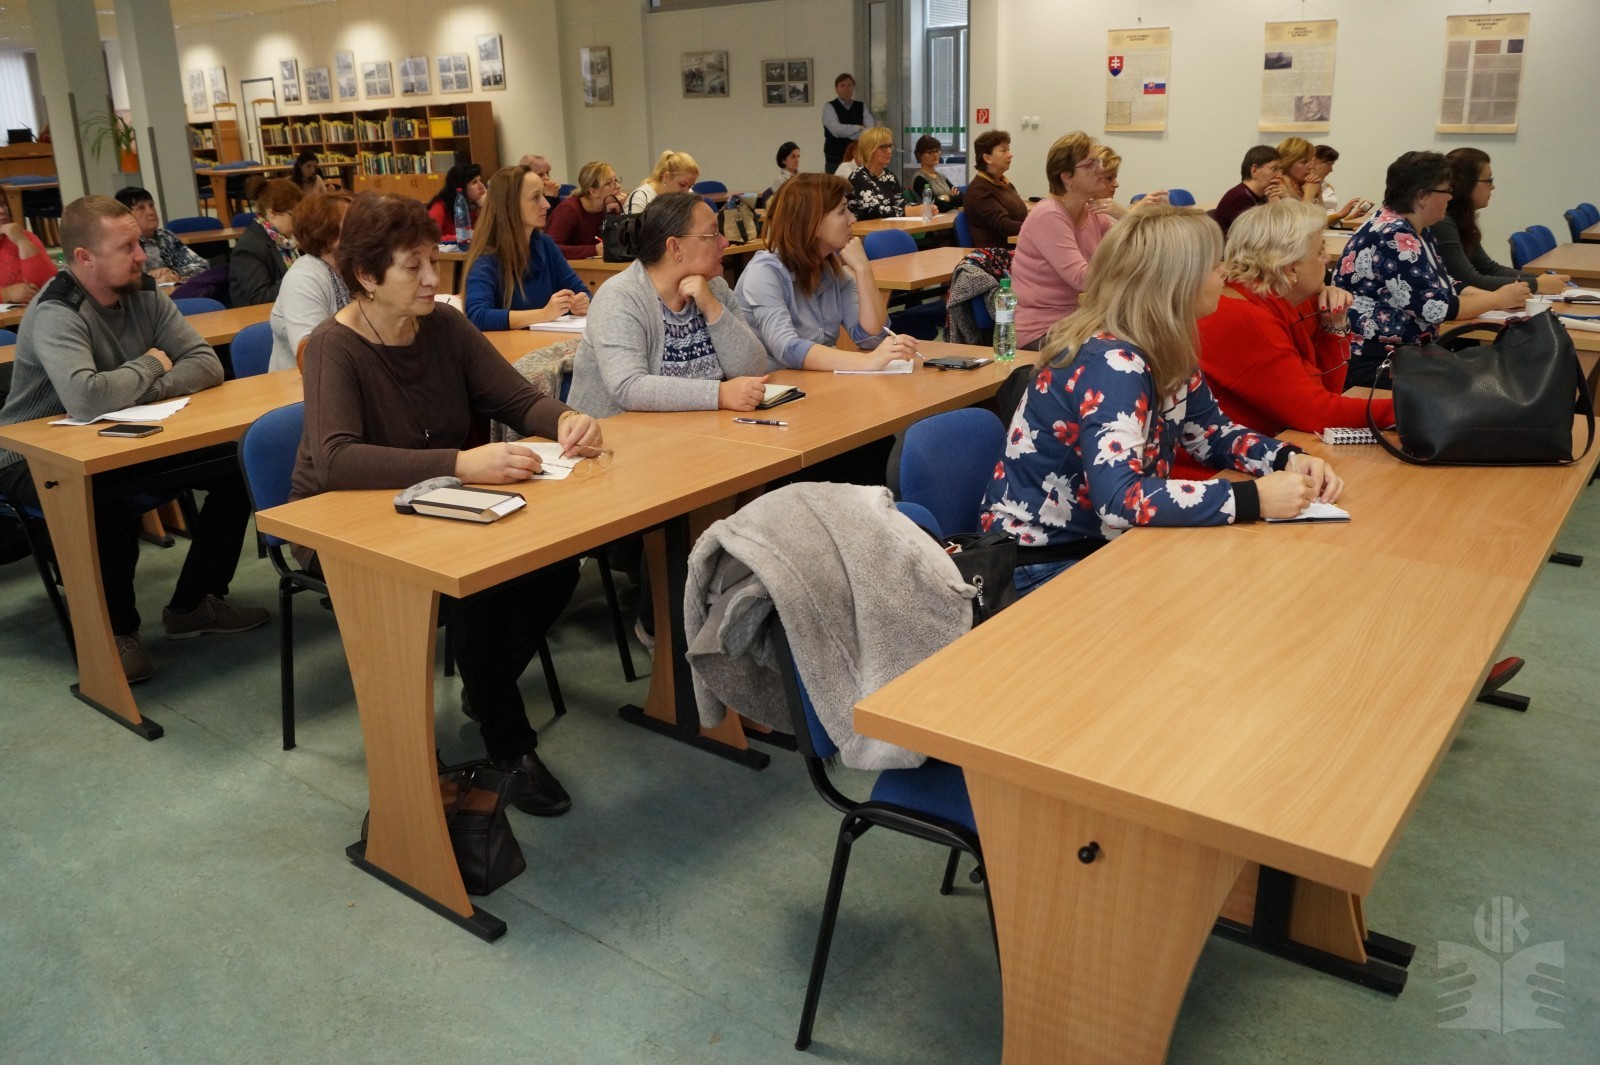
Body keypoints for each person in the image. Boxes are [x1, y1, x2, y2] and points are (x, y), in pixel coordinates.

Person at [291, 192, 603, 816]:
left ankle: (486, 688)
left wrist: (565, 418)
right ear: (366, 276)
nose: (434, 279)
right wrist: (459, 465)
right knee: (477, 593)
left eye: (434, 261)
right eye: (414, 267)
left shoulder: (444, 324)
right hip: (341, 523)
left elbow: (515, 398)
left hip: (438, 507)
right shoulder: (333, 346)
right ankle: (508, 744)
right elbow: (336, 460)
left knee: (554, 565)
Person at [980, 206, 1342, 597]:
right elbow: (1119, 499)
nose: (1225, 272)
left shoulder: (1163, 345)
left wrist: (1286, 458)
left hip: (1104, 545)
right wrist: (1254, 498)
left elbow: (1212, 435)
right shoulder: (1113, 362)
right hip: (1047, 562)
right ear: (1176, 282)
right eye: (1214, 264)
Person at [0, 196, 268, 681]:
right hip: (29, 455)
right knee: (100, 497)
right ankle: (116, 634)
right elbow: (85, 397)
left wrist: (139, 387)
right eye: (126, 247)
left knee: (237, 463)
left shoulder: (142, 292)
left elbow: (206, 363)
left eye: (139, 244)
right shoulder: (57, 310)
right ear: (84, 257)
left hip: (115, 434)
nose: (143, 256)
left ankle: (194, 604)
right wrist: (152, 362)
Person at [1195, 199, 1394, 458]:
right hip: (1218, 468)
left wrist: (1333, 325)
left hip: (1257, 450)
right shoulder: (1241, 317)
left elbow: (1325, 392)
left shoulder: (1287, 301)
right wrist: (1406, 410)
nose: (1327, 259)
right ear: (1290, 267)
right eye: (1319, 251)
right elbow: (1316, 413)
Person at [1336, 150, 1528, 388]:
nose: (1450, 197)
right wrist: (1497, 299)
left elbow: (1444, 283)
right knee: (1483, 383)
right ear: (1422, 196)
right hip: (1376, 362)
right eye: (1446, 190)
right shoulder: (1394, 234)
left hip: (1403, 355)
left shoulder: (1414, 228)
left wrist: (1498, 298)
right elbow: (1434, 307)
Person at [567, 192, 769, 418]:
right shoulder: (620, 297)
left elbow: (753, 369)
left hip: (696, 430)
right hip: (615, 434)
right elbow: (628, 386)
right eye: (712, 234)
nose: (724, 242)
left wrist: (713, 308)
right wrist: (719, 394)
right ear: (675, 247)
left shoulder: (715, 289)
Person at [734, 173, 915, 372]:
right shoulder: (764, 273)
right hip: (773, 384)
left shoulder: (831, 269)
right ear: (813, 222)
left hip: (813, 380)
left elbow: (872, 338)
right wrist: (867, 362)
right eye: (842, 211)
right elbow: (787, 348)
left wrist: (864, 270)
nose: (852, 219)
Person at [1011, 131, 1116, 349]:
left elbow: (1132, 249)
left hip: (1076, 324)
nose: (1100, 169)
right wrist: (1125, 272)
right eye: (1091, 164)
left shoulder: (1092, 212)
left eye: (1098, 162)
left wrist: (1126, 216)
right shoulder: (1049, 214)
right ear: (1067, 176)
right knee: (1122, 352)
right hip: (1041, 331)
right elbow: (1082, 279)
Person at [463, 164, 591, 331]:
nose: (546, 204)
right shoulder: (487, 254)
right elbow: (477, 316)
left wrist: (582, 302)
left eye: (543, 195)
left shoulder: (545, 244)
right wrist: (544, 314)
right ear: (510, 205)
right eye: (535, 197)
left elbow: (583, 292)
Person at [1434, 147, 1568, 295]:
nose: (1493, 187)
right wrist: (1536, 284)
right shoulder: (1442, 223)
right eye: (1488, 180)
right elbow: (1470, 280)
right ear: (1466, 183)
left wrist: (1542, 280)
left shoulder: (1462, 219)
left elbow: (1489, 269)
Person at [268, 191, 352, 371]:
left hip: (349, 374)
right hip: (300, 383)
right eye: (353, 224)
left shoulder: (357, 267)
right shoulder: (303, 278)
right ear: (328, 235)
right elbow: (312, 357)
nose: (365, 230)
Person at [109, 187, 209, 285]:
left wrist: (175, 274)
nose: (151, 212)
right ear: (127, 215)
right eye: (141, 208)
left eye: (151, 205)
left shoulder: (165, 236)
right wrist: (151, 280)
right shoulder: (122, 243)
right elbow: (120, 280)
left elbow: (202, 266)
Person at [229, 176, 303, 307]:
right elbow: (260, 297)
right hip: (258, 315)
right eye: (294, 215)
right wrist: (299, 277)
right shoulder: (249, 247)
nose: (299, 221)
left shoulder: (285, 241)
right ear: (272, 212)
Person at [544, 160, 621, 261]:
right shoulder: (568, 210)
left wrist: (621, 213)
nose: (618, 186)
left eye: (617, 180)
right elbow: (550, 248)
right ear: (594, 192)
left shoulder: (609, 208)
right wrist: (594, 250)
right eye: (611, 183)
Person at [964, 129, 1028, 248]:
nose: (1010, 154)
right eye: (1003, 150)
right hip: (996, 253)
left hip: (1017, 247)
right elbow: (1004, 226)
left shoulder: (1005, 183)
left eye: (1008, 149)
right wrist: (1037, 226)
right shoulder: (979, 190)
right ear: (987, 158)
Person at [1211, 145, 1284, 237]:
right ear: (1254, 170)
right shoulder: (1239, 198)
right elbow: (1257, 238)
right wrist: (1275, 208)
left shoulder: (1264, 195)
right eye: (1274, 169)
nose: (1279, 176)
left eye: (1280, 170)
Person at [846, 127, 903, 220]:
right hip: (863, 227)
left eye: (889, 146)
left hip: (886, 225)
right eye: (883, 147)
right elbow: (874, 210)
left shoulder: (890, 176)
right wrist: (907, 211)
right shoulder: (858, 176)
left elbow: (901, 202)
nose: (889, 151)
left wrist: (919, 208)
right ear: (869, 150)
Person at [822, 73, 875, 174]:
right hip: (835, 158)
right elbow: (836, 130)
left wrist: (847, 133)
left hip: (858, 158)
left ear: (853, 88)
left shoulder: (861, 106)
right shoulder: (829, 107)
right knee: (834, 184)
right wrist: (857, 128)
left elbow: (870, 130)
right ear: (836, 89)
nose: (846, 88)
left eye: (849, 85)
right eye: (842, 85)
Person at [426, 163, 486, 246]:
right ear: (461, 187)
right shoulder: (440, 207)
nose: (481, 186)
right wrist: (463, 237)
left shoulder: (476, 205)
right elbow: (428, 237)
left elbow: (486, 235)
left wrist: (484, 208)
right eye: (474, 182)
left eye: (480, 180)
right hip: (447, 253)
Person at [625, 150, 700, 215]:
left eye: (690, 186)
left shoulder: (689, 194)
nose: (686, 191)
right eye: (682, 185)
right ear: (666, 177)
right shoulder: (640, 198)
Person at [1311, 145, 1365, 226]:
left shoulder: (1328, 187)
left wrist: (1352, 217)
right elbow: (1313, 223)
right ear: (1313, 162)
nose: (1331, 170)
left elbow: (1332, 224)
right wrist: (1340, 214)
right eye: (1328, 164)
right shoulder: (1303, 188)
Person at [910, 135, 962, 211]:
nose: (935, 155)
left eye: (937, 151)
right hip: (932, 216)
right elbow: (935, 204)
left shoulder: (941, 176)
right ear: (919, 155)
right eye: (929, 152)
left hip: (950, 214)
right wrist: (954, 202)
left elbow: (962, 198)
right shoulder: (919, 178)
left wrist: (947, 198)